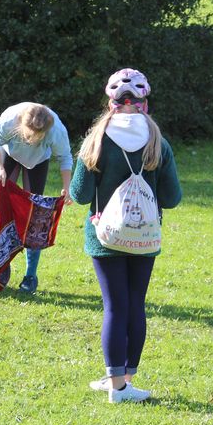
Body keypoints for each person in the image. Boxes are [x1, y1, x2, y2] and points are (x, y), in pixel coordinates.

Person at [69, 69, 182, 403]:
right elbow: (172, 198)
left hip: (104, 237)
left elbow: (79, 194)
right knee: (135, 305)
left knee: (114, 307)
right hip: (144, 237)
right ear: (145, 103)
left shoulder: (96, 141)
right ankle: (124, 381)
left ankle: (116, 383)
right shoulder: (158, 143)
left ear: (110, 104)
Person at [0, 102, 73, 293]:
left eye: (37, 137)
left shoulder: (56, 130)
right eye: (29, 136)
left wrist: (66, 187)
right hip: (9, 155)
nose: (32, 141)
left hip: (38, 162)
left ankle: (30, 276)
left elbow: (65, 158)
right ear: (21, 125)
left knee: (35, 216)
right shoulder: (8, 121)